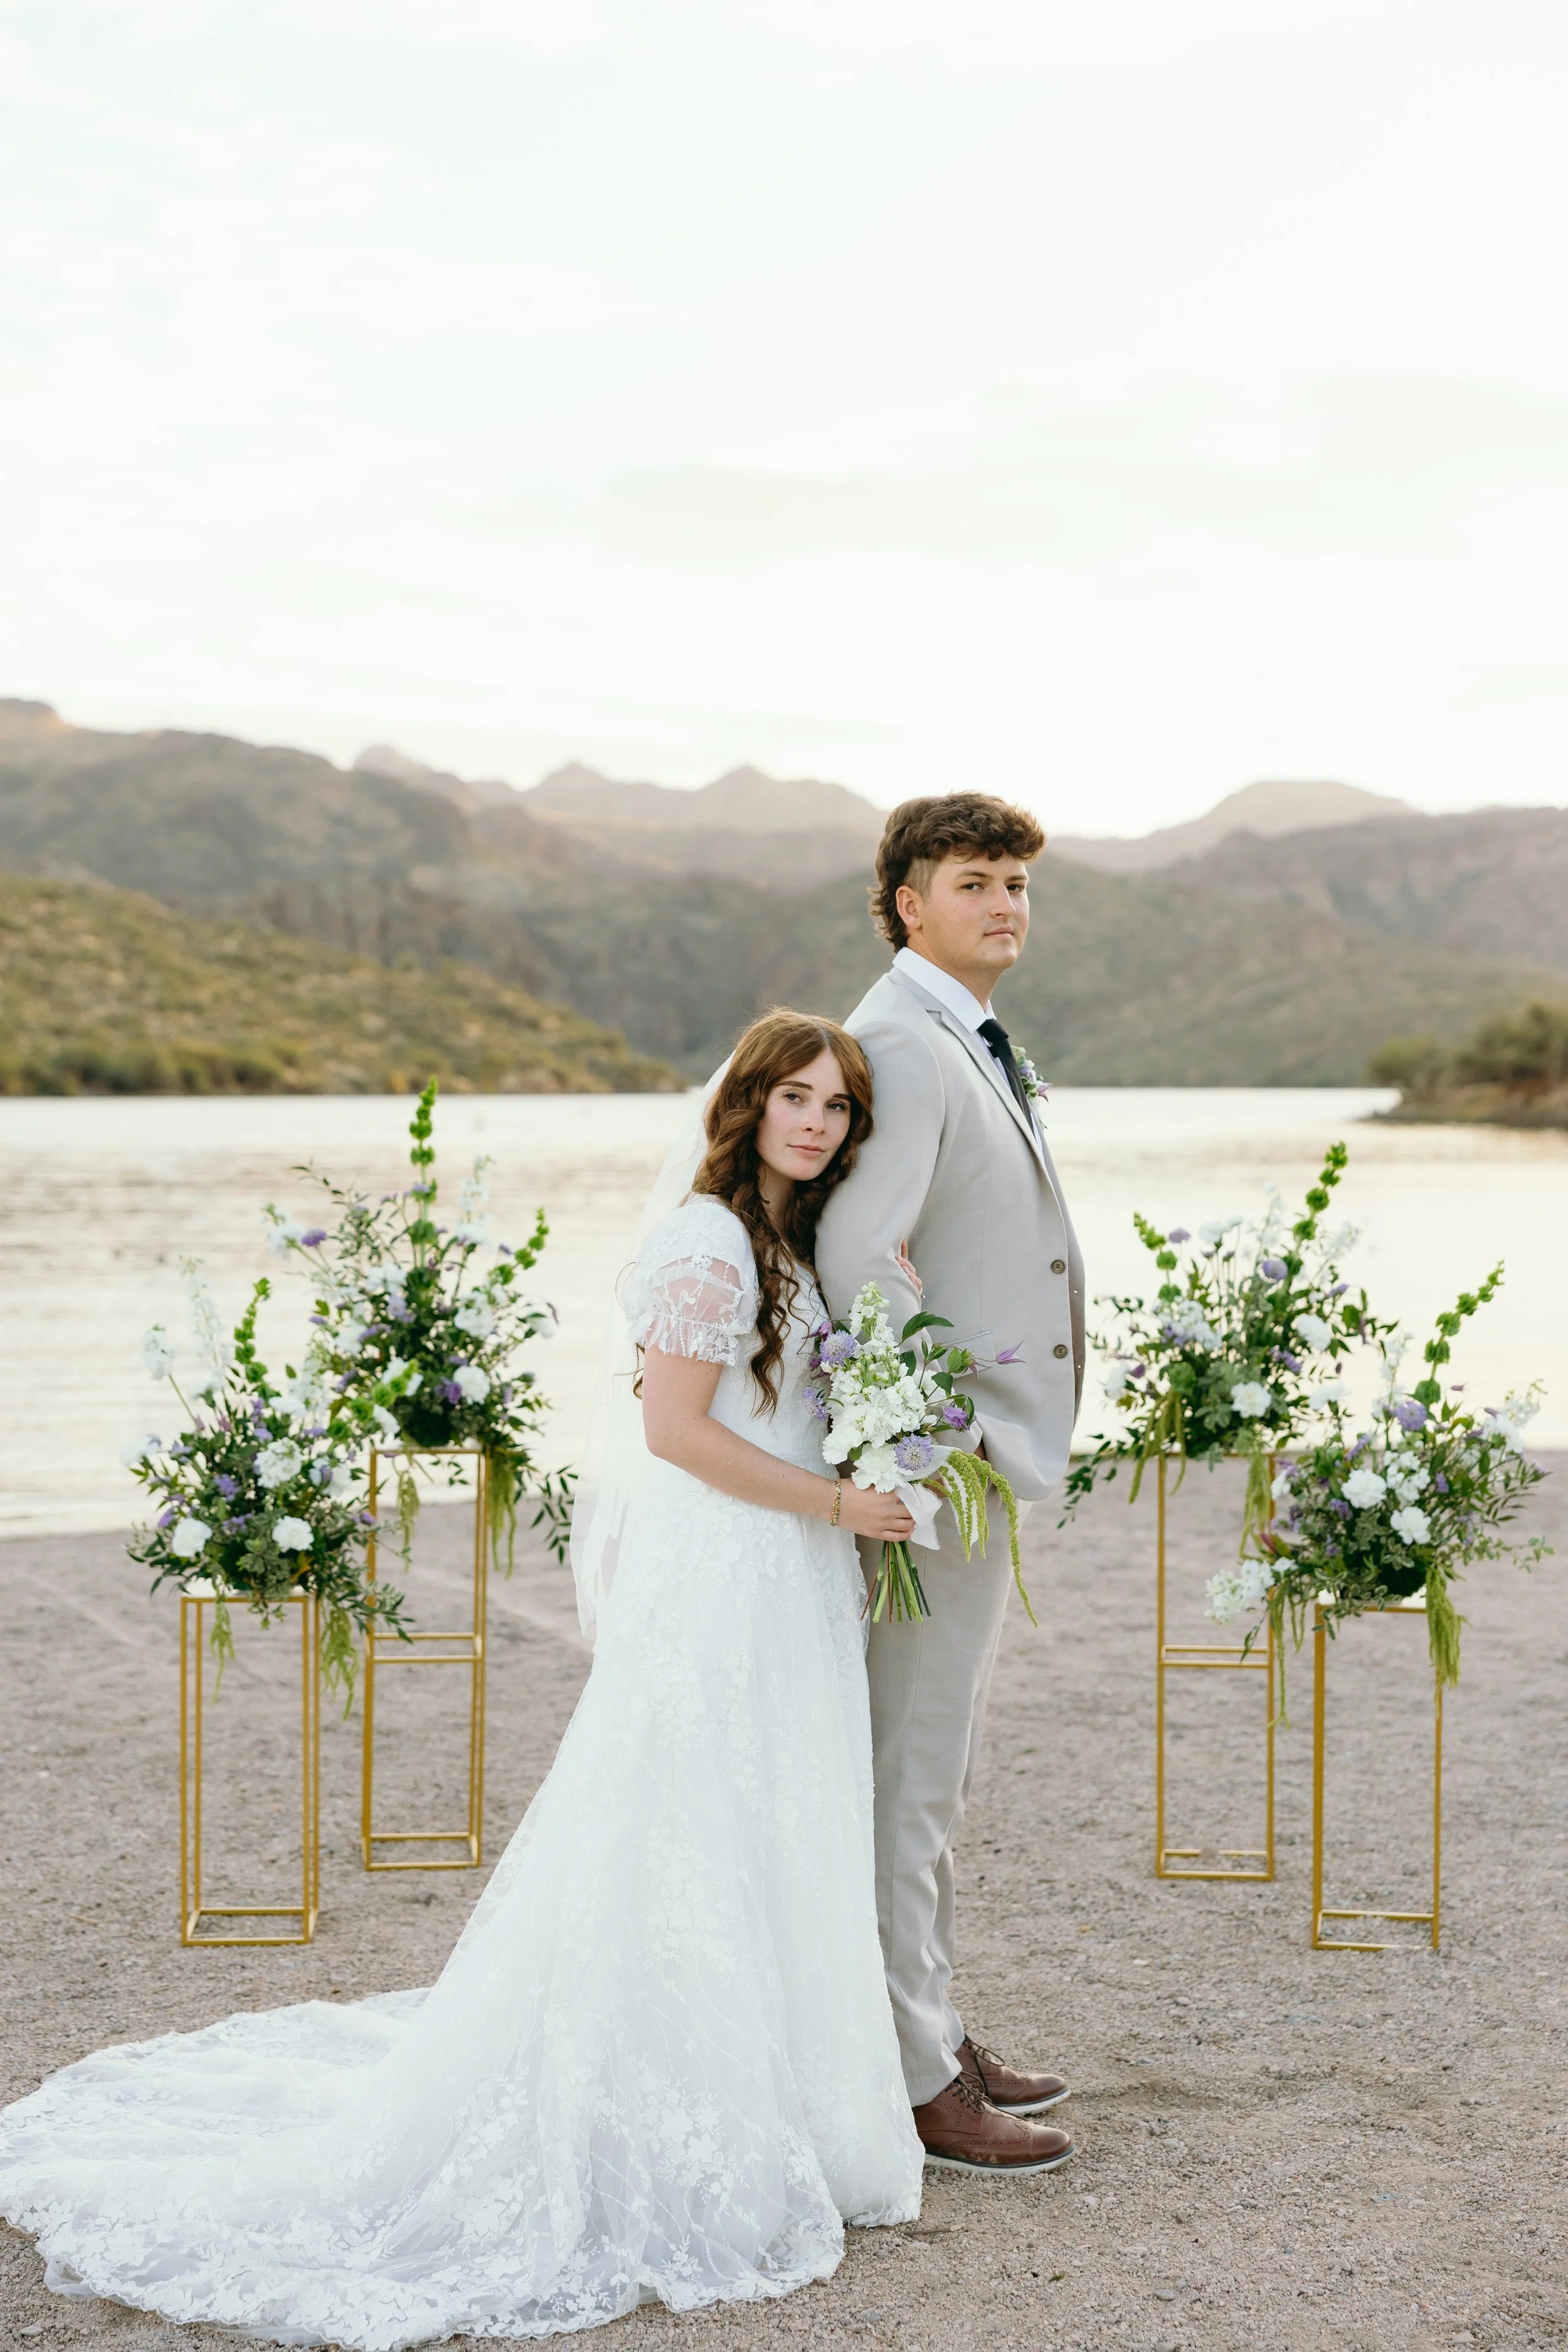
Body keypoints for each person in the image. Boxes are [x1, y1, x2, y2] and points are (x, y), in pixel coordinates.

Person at [0, 1012, 924, 2349]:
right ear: (744, 1102)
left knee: (772, 1819)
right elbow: (671, 1433)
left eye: (836, 1106)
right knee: (685, 1821)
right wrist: (838, 1504)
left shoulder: (789, 1239)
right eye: (793, 1096)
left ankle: (789, 2103)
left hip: (779, 1579)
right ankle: (673, 2108)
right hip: (726, 1574)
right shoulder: (708, 1238)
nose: (814, 1122)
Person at [815, 792, 1084, 2177]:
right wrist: (944, 1434)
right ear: (905, 901)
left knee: (932, 1765)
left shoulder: (952, 1031)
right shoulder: (902, 1046)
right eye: (974, 881)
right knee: (907, 1769)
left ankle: (926, 2020)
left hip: (960, 1458)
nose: (1003, 904)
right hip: (936, 1467)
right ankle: (915, 2078)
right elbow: (862, 1256)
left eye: (1016, 884)